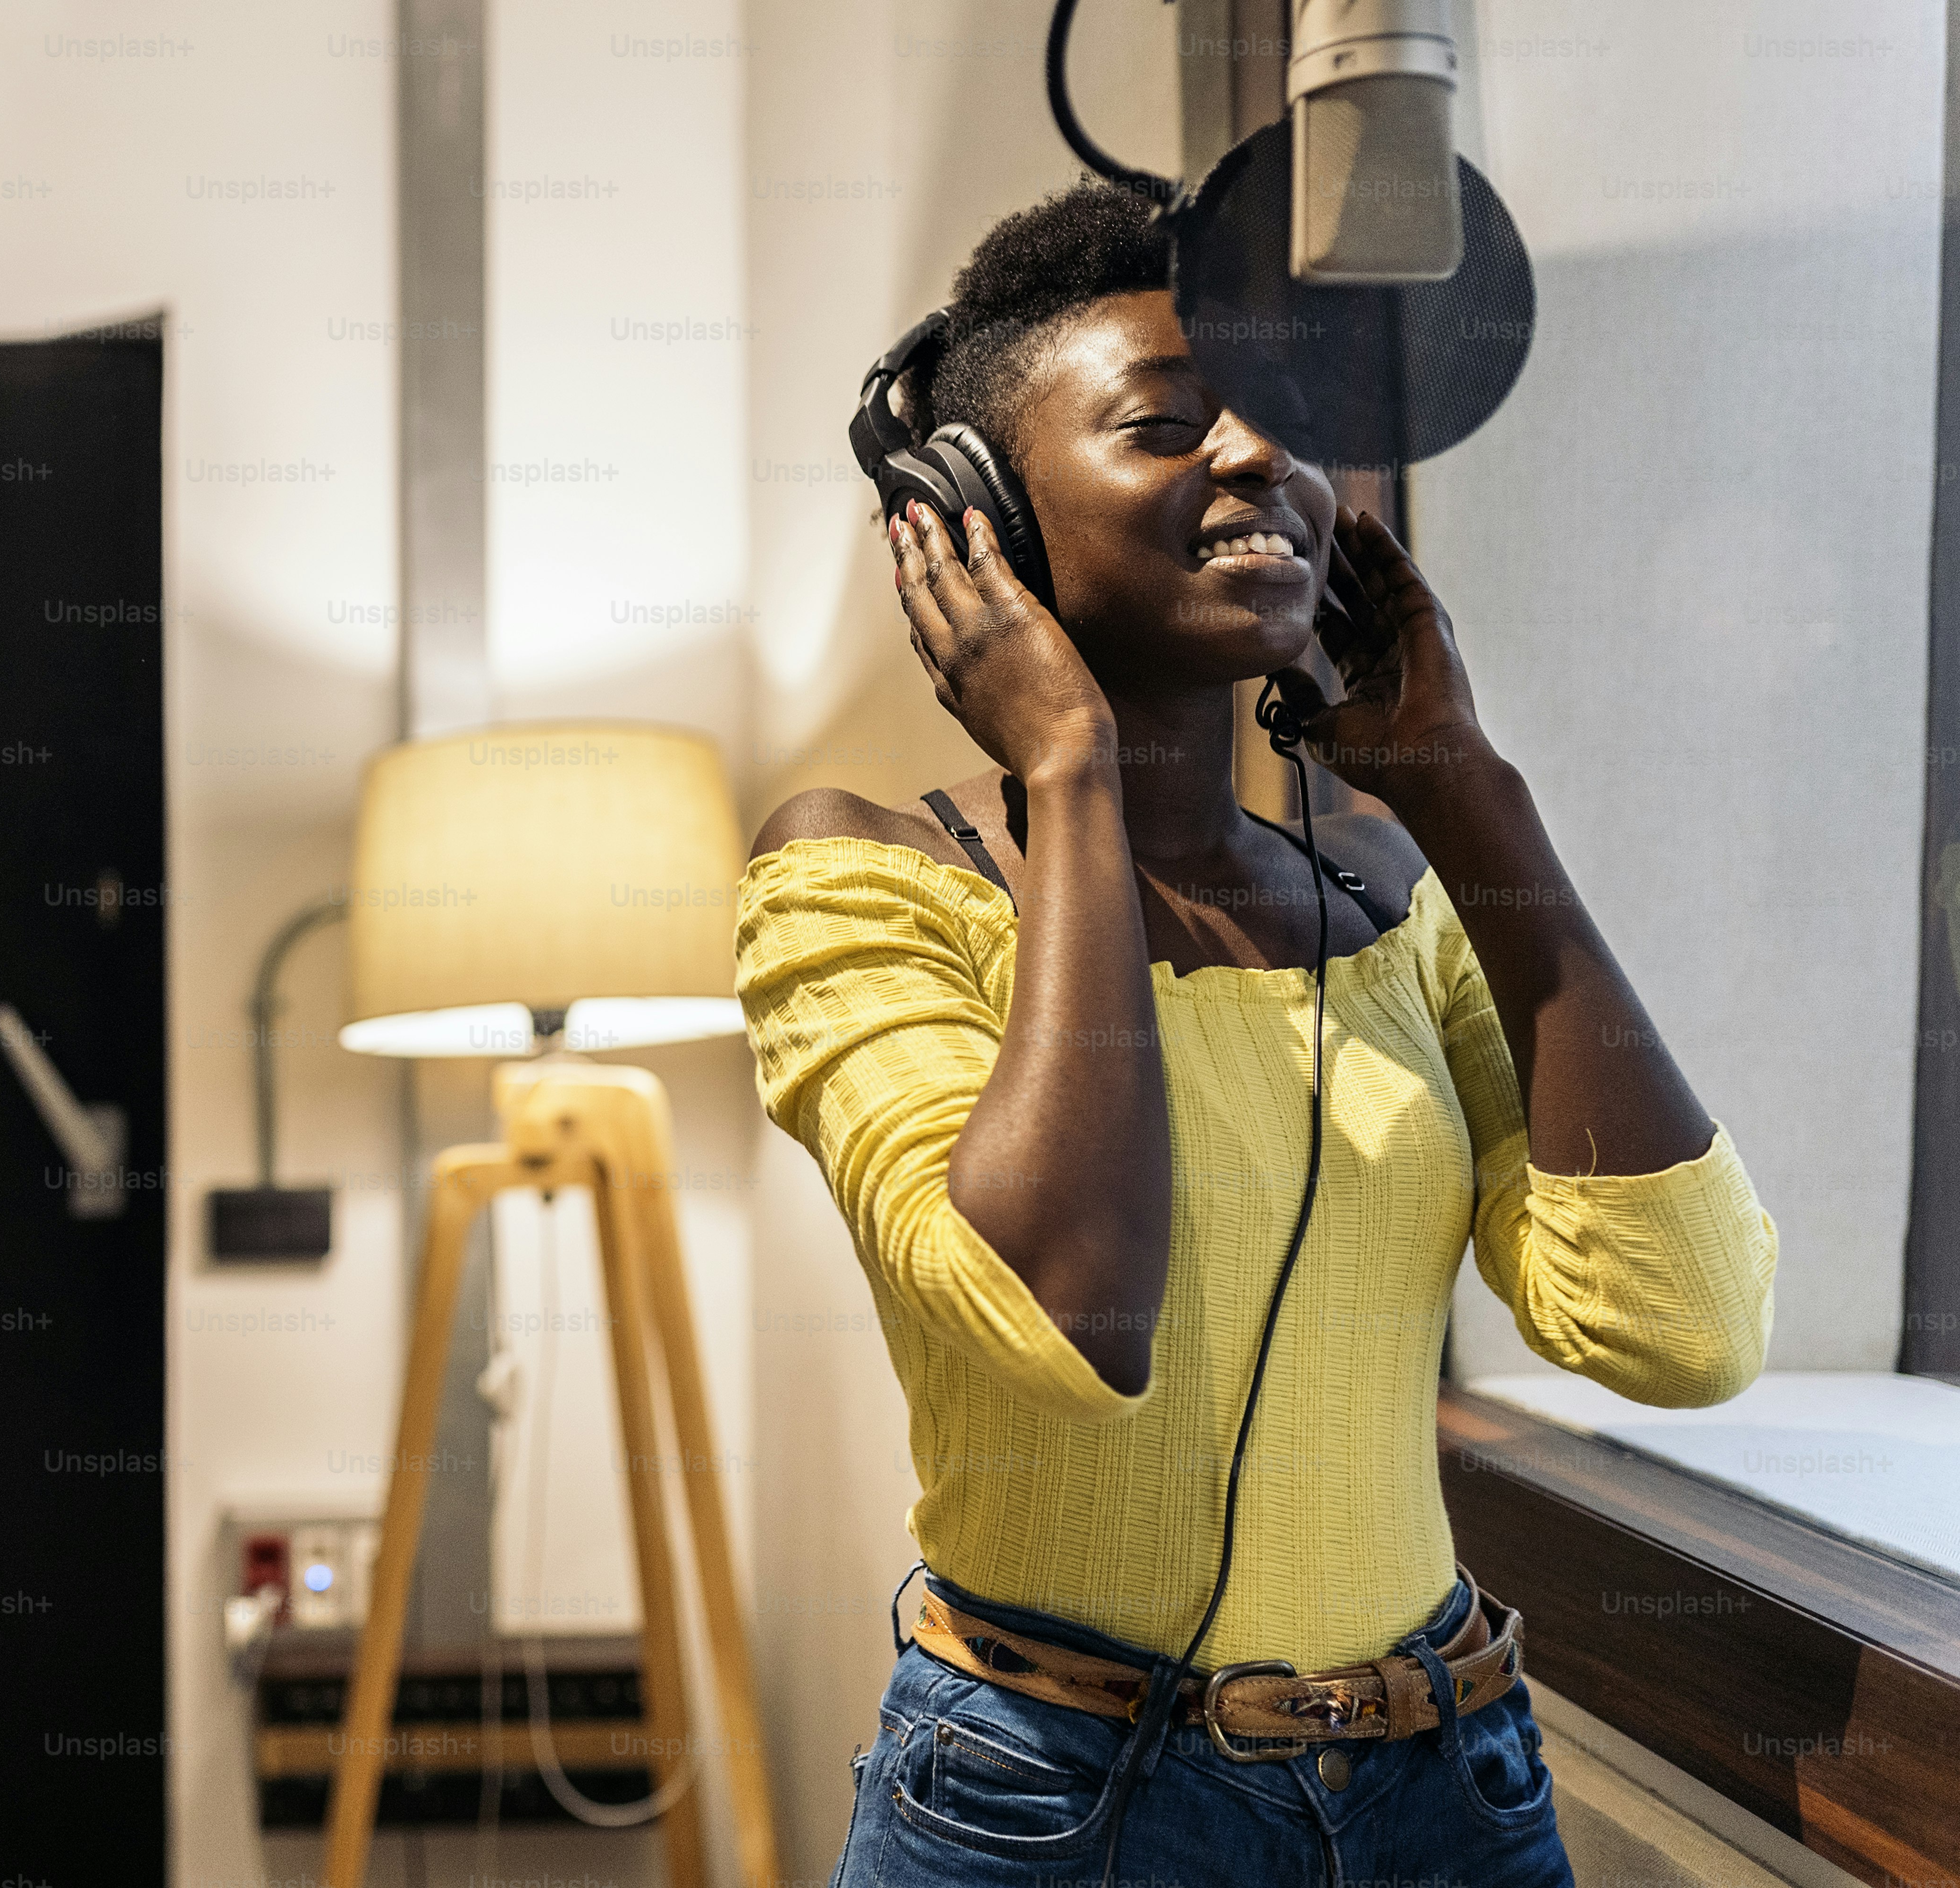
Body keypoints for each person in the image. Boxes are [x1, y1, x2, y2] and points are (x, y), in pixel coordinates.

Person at [734, 182, 1777, 1886]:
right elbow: (1067, 1319)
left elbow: (1685, 1325)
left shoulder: (1379, 893)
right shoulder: (862, 876)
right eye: (1163, 424)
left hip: (1455, 1792)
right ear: (977, 516)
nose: (1257, 459)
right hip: (1046, 1805)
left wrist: (1469, 796)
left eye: (1291, 425)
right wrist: (1069, 772)